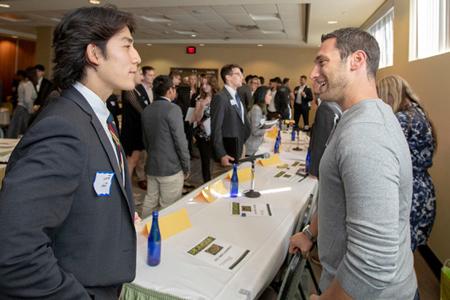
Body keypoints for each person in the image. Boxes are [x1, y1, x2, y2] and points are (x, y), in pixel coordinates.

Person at [0, 6, 141, 299]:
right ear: (94, 54)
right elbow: (15, 252)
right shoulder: (63, 127)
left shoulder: (99, 116)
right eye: (127, 46)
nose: (136, 57)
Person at [290, 27, 417, 300]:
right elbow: (339, 200)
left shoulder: (366, 133)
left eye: (322, 61)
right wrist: (310, 233)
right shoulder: (357, 119)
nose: (313, 73)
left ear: (357, 61)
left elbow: (373, 262)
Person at [377, 74, 437, 252]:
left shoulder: (403, 120)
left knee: (396, 256)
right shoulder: (418, 113)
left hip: (410, 194)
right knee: (405, 254)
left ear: (390, 96)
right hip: (423, 190)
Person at [141, 75, 190, 214]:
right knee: (168, 207)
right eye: (175, 88)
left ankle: (143, 232)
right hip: (170, 167)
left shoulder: (147, 109)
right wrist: (186, 165)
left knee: (150, 201)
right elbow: (180, 141)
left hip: (152, 165)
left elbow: (146, 140)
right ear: (170, 90)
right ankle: (163, 235)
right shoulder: (173, 109)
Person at [210, 64, 251, 166]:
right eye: (238, 74)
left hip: (240, 145)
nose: (242, 77)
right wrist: (221, 154)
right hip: (228, 150)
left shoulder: (237, 96)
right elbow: (216, 128)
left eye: (242, 74)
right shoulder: (220, 97)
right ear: (228, 77)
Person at [120, 69, 149, 180]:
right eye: (140, 73)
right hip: (131, 131)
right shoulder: (129, 90)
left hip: (137, 130)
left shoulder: (137, 89)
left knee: (134, 160)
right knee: (131, 161)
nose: (142, 76)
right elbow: (141, 110)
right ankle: (126, 191)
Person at [191, 76, 219, 183]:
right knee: (205, 160)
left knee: (217, 159)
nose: (204, 86)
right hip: (203, 134)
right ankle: (207, 183)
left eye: (206, 84)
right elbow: (196, 119)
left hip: (216, 133)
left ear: (212, 85)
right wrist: (202, 105)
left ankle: (217, 181)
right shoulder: (199, 99)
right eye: (202, 84)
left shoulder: (219, 98)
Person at [6, 67, 37, 138]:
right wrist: (31, 111)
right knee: (21, 134)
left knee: (15, 132)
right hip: (24, 111)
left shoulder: (21, 83)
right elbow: (27, 100)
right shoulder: (29, 84)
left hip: (18, 109)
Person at [245, 86, 272, 156]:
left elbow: (260, 125)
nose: (271, 97)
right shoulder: (256, 109)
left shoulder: (261, 108)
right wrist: (268, 129)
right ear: (263, 96)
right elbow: (255, 131)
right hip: (252, 148)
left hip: (257, 145)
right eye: (269, 95)